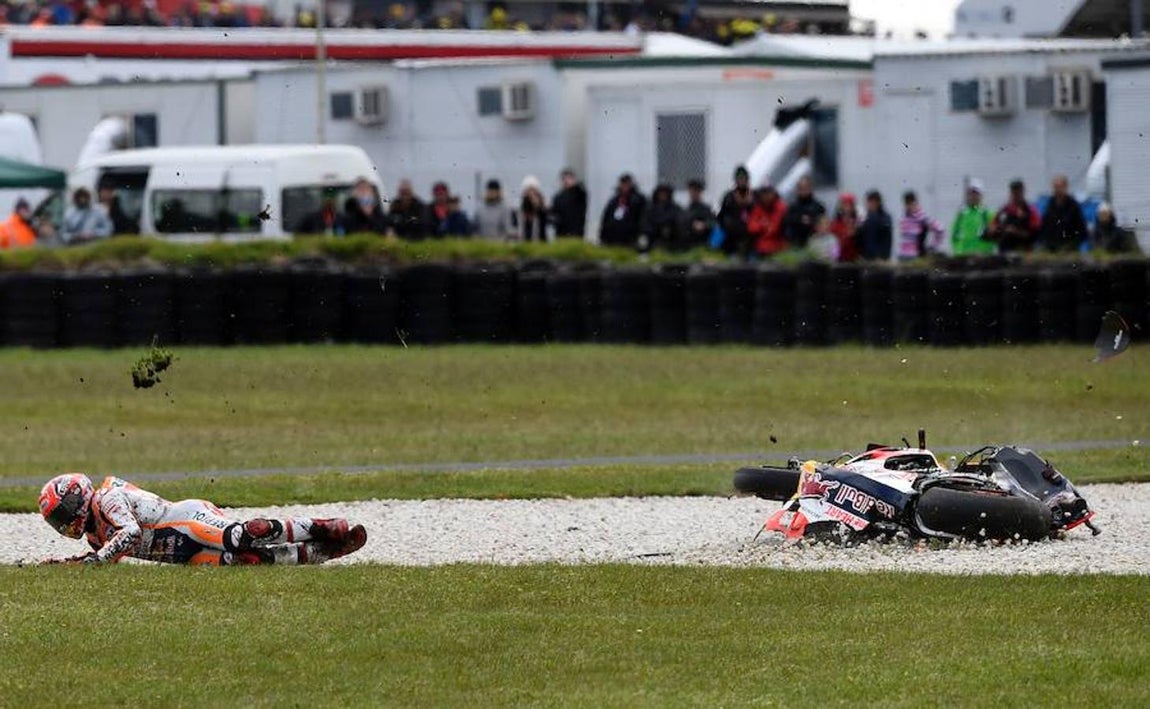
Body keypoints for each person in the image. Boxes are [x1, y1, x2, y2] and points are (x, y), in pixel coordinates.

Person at [36, 473, 366, 566]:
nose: (64, 524)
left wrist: (97, 560)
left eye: (62, 514)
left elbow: (130, 533)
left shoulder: (106, 499)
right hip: (179, 554)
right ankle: (325, 552)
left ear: (78, 497)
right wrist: (70, 563)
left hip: (184, 520)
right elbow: (103, 557)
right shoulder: (94, 536)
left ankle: (321, 526)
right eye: (57, 520)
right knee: (252, 560)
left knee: (242, 537)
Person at [1038, 174, 1088, 252]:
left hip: (1070, 249)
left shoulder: (1074, 207)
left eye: (1060, 187)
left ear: (1066, 187)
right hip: (1051, 249)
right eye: (1055, 187)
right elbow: (1044, 228)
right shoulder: (1049, 206)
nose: (1058, 190)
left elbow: (1082, 230)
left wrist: (1072, 245)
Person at [598, 173, 646, 248]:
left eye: (627, 184)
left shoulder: (639, 200)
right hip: (613, 238)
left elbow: (642, 218)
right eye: (623, 184)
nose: (624, 187)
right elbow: (606, 218)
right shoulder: (614, 200)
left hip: (630, 238)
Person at [991, 179, 1040, 252]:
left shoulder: (1031, 210)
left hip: (1024, 251)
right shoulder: (1004, 210)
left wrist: (1016, 232)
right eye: (1014, 191)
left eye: (1018, 191)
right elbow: (993, 227)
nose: (1016, 194)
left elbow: (1035, 233)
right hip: (1004, 251)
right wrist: (999, 229)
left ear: (1023, 192)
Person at [716, 165, 754, 257]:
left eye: (744, 178)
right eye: (739, 178)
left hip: (750, 238)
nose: (741, 181)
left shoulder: (754, 197)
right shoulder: (729, 197)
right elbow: (721, 216)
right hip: (731, 238)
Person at [950, 180, 995, 256]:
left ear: (981, 196)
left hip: (983, 257)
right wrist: (958, 251)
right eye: (971, 194)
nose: (973, 197)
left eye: (976, 194)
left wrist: (987, 251)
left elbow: (994, 235)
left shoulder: (987, 213)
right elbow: (954, 235)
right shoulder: (962, 214)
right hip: (964, 256)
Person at [897, 190, 944, 261]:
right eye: (907, 203)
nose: (909, 206)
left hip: (915, 257)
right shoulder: (904, 217)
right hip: (903, 256)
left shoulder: (921, 216)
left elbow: (940, 229)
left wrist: (933, 247)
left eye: (911, 202)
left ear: (915, 202)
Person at [783, 175, 826, 249]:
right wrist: (800, 220)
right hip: (796, 245)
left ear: (811, 188)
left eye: (806, 187)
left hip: (816, 245)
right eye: (801, 188)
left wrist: (811, 221)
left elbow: (824, 225)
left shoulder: (819, 207)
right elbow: (787, 225)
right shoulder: (792, 207)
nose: (803, 190)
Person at [640, 183, 684, 252]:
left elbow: (678, 222)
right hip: (653, 237)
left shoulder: (675, 208)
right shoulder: (650, 208)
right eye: (661, 193)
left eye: (665, 193)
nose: (663, 195)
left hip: (670, 238)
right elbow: (645, 223)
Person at [747, 185, 788, 258]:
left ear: (773, 193)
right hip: (761, 248)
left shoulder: (781, 207)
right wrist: (764, 226)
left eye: (768, 193)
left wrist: (762, 225)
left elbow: (774, 228)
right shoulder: (757, 208)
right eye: (764, 193)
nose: (766, 196)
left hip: (778, 247)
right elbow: (751, 227)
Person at [550, 168, 587, 238]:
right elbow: (553, 214)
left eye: (569, 178)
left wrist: (574, 185)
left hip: (576, 233)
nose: (566, 181)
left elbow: (582, 190)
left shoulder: (579, 194)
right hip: (561, 234)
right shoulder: (558, 197)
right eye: (564, 179)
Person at [857, 190, 893, 261]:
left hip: (880, 257)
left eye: (874, 202)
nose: (871, 204)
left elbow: (887, 240)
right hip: (866, 256)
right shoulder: (864, 217)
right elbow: (860, 237)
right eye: (869, 201)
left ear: (878, 202)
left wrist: (884, 256)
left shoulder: (885, 218)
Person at [681, 179, 715, 251]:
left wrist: (704, 225)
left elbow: (713, 223)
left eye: (696, 191)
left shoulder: (706, 209)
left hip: (703, 242)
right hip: (688, 244)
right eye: (692, 191)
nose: (694, 193)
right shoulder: (686, 210)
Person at [514, 175, 548, 242]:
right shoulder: (519, 210)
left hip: (539, 244)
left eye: (533, 190)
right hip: (524, 243)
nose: (531, 194)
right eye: (529, 190)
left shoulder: (542, 209)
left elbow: (545, 218)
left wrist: (538, 205)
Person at [828, 192, 860, 262]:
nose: (847, 208)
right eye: (844, 204)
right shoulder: (834, 224)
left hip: (854, 260)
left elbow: (861, 244)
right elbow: (832, 244)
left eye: (849, 205)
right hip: (839, 261)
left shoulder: (857, 223)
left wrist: (854, 235)